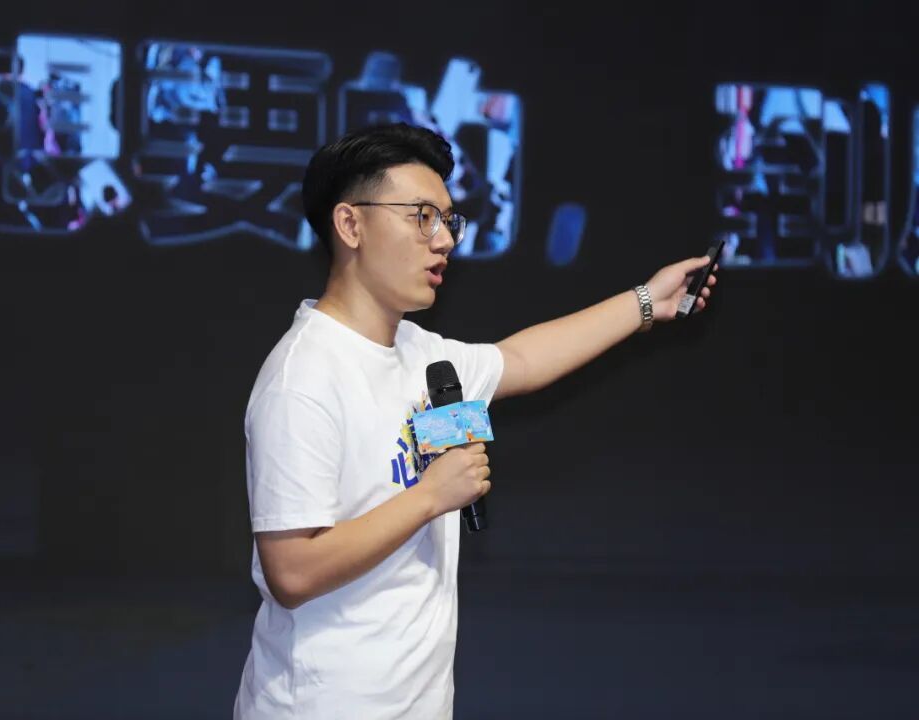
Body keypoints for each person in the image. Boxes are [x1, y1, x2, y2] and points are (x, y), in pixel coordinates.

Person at [233, 122, 718, 719]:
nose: (444, 241)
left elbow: (522, 360)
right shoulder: (302, 378)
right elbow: (292, 571)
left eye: (447, 221)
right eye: (422, 217)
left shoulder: (423, 356)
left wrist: (647, 301)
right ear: (350, 225)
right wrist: (429, 497)